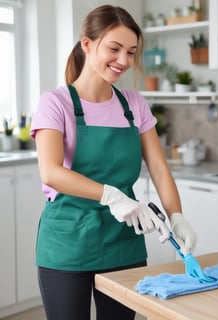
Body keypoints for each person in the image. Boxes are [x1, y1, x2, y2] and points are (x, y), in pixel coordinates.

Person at [30, 5, 197, 320]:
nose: (124, 61)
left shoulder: (133, 104)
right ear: (87, 44)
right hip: (68, 244)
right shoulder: (55, 103)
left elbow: (160, 170)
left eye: (131, 52)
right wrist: (111, 195)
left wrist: (177, 217)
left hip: (123, 242)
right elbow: (51, 172)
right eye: (114, 48)